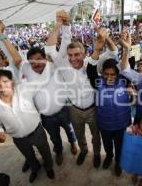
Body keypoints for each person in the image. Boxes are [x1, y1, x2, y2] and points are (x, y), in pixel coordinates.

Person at [45, 11, 105, 168]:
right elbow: (50, 49)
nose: (73, 59)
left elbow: (111, 55)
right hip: (74, 109)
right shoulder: (63, 66)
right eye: (70, 55)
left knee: (95, 136)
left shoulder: (92, 64)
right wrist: (60, 25)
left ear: (84, 53)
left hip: (93, 109)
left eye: (77, 54)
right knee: (79, 135)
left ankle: (97, 154)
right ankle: (84, 151)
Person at [0, 69, 54, 183]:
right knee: (28, 155)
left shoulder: (24, 90)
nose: (2, 86)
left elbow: (42, 80)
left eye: (5, 81)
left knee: (45, 151)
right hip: (18, 138)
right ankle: (35, 168)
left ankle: (49, 167)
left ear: (12, 82)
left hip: (37, 132)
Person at [19, 46, 78, 166]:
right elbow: (14, 58)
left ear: (45, 58)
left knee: (70, 130)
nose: (36, 64)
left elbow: (63, 48)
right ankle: (59, 151)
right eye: (32, 62)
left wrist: (62, 28)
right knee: (54, 137)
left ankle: (73, 143)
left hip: (64, 110)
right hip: (46, 116)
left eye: (39, 59)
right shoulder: (28, 72)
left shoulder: (54, 66)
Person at [86, 29, 131, 176]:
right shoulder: (97, 82)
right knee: (107, 145)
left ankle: (118, 162)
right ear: (102, 73)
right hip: (104, 126)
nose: (109, 76)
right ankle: (109, 157)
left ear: (118, 74)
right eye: (106, 74)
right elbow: (91, 69)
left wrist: (126, 49)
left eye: (113, 74)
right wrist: (97, 49)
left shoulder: (124, 81)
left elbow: (126, 66)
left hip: (121, 125)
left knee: (120, 146)